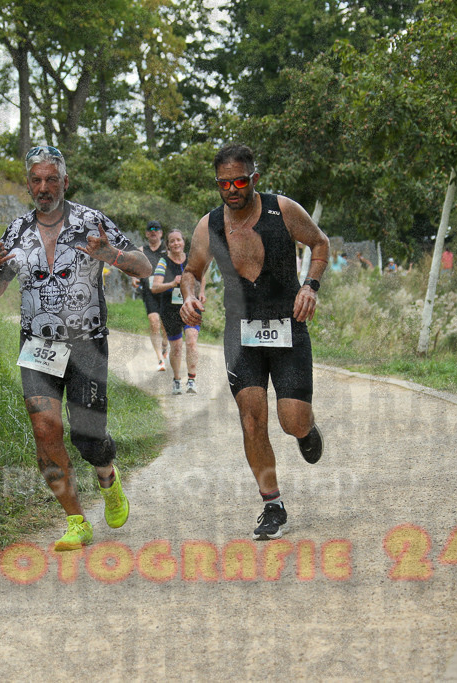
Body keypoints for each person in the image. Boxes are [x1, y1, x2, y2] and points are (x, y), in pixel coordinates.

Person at [0, 144, 152, 551]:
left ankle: (108, 478)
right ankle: (76, 521)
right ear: (28, 184)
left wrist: (109, 253)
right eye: (36, 180)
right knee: (45, 429)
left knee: (88, 438)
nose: (44, 187)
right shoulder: (16, 232)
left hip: (86, 344)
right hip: (36, 346)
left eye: (51, 179)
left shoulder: (92, 221)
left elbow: (144, 266)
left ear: (65, 182)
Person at [179, 143, 329, 541]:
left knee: (292, 420)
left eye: (240, 181)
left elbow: (320, 243)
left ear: (254, 179)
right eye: (224, 183)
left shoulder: (284, 210)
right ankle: (272, 504)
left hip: (288, 325)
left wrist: (310, 286)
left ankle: (306, 430)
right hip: (241, 333)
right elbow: (191, 271)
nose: (232, 189)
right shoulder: (209, 225)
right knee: (251, 417)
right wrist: (189, 296)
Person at [150, 228, 204, 395]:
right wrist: (172, 283)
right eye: (172, 241)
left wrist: (202, 292)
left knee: (191, 341)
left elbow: (202, 277)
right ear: (168, 245)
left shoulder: (192, 259)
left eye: (178, 240)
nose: (176, 243)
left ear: (183, 242)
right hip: (171, 309)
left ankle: (192, 380)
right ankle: (176, 380)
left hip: (191, 306)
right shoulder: (164, 262)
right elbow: (155, 287)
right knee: (177, 347)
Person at [131, 220, 169, 370]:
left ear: (161, 233)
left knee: (165, 325)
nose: (153, 232)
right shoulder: (141, 250)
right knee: (154, 322)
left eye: (156, 230)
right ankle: (160, 360)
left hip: (165, 290)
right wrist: (134, 277)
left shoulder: (167, 249)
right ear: (147, 233)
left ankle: (165, 345)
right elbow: (134, 267)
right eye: (150, 230)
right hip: (149, 291)